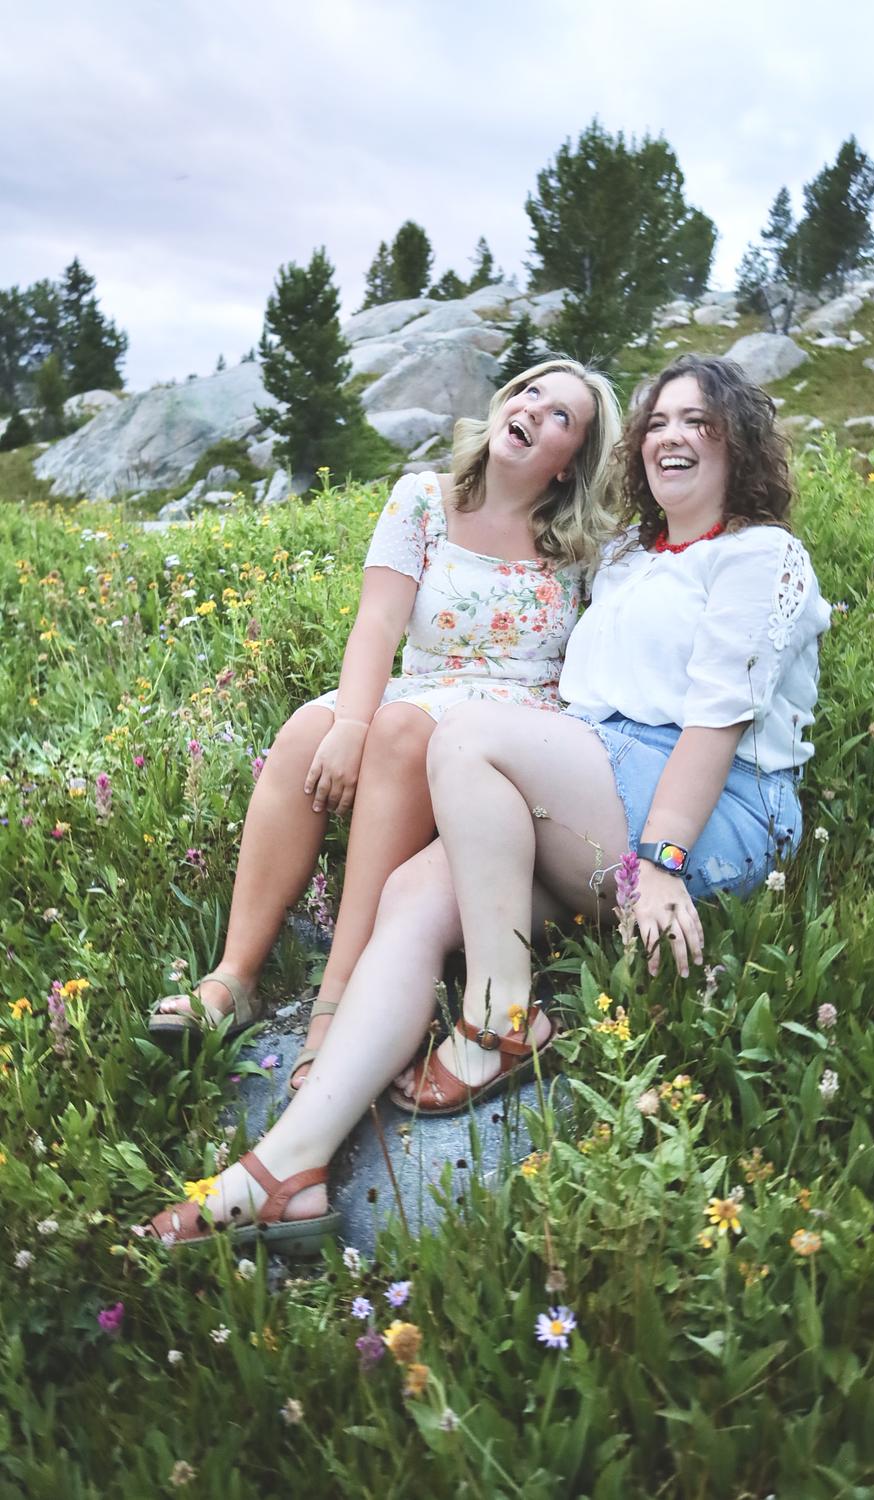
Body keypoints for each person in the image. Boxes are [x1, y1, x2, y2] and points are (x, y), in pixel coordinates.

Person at [146, 354, 830, 1249]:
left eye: (698, 421)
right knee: (410, 897)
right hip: (596, 789)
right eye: (658, 421)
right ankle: (288, 1169)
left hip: (710, 812)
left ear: (738, 441)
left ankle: (501, 1016)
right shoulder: (626, 555)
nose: (672, 436)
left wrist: (663, 862)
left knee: (468, 732)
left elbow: (716, 723)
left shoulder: (759, 554)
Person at [148, 358, 622, 1099]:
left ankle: (336, 1005)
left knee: (399, 728)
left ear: (571, 463)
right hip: (421, 685)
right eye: (530, 391)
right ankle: (234, 979)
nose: (534, 408)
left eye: (561, 414)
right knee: (307, 734)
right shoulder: (424, 498)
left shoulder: (582, 545)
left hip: (510, 718)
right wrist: (348, 723)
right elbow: (377, 622)